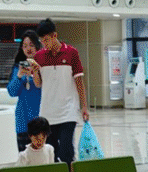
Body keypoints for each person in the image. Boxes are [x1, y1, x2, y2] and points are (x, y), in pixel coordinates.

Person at [34, 19, 89, 164]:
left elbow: (79, 82)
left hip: (68, 112)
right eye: (41, 41)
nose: (44, 44)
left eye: (46, 40)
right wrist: (34, 71)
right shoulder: (38, 57)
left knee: (66, 151)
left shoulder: (72, 53)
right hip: (47, 113)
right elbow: (38, 84)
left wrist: (84, 106)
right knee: (51, 153)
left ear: (55, 35)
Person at [6, 29, 42, 152]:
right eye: (25, 46)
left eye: (31, 45)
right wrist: (19, 75)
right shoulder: (18, 68)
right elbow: (12, 92)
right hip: (23, 121)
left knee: (42, 156)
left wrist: (36, 71)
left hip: (41, 119)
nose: (28, 48)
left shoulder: (43, 67)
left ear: (37, 46)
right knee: (24, 157)